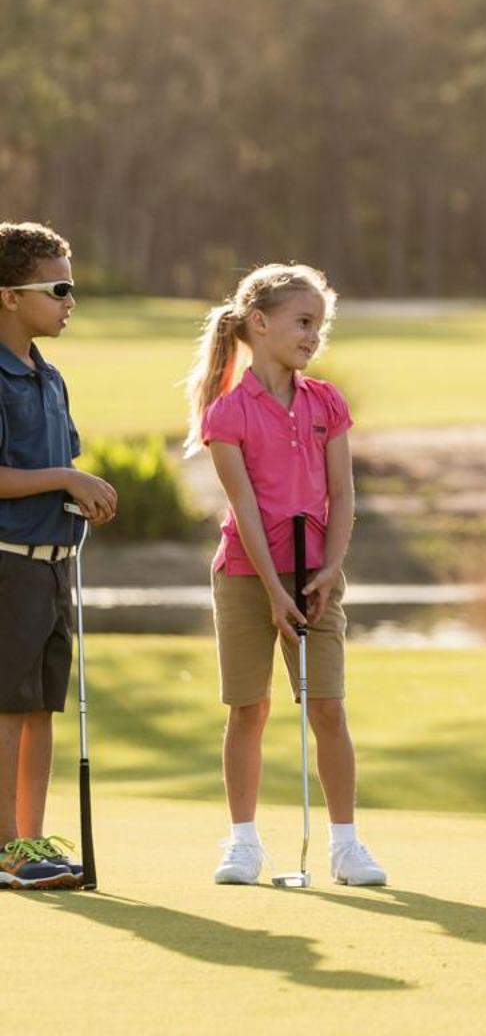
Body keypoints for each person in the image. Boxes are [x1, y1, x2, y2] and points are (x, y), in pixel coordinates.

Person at [184, 262, 387, 887]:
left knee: (327, 706)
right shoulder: (228, 413)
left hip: (316, 576)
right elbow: (243, 508)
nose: (312, 336)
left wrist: (329, 571)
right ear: (260, 322)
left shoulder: (327, 403)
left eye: (319, 326)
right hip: (249, 577)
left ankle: (346, 846)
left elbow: (343, 498)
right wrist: (275, 593)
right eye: (303, 322)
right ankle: (243, 844)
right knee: (249, 709)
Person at [0, 222, 118, 890]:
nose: (71, 300)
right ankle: (4, 847)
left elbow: (56, 461)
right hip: (7, 559)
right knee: (5, 706)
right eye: (59, 288)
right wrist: (65, 479)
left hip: (52, 561)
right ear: (11, 296)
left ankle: (29, 840)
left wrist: (82, 491)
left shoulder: (49, 376)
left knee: (41, 703)